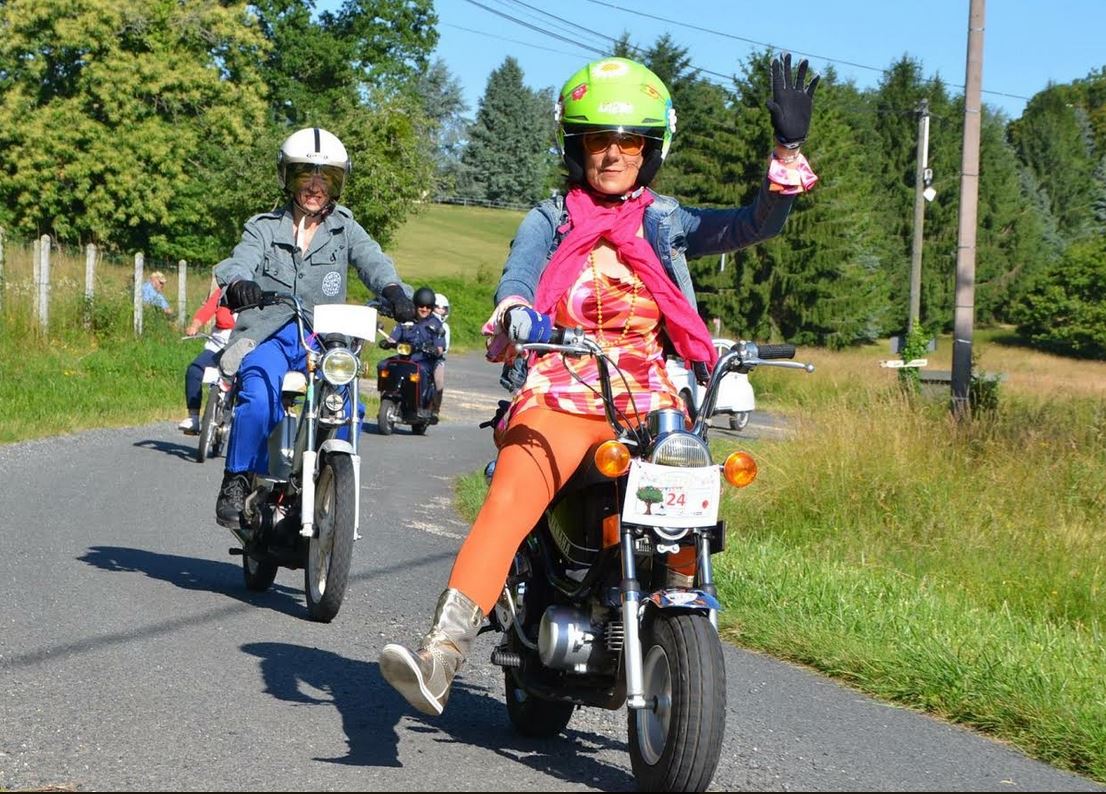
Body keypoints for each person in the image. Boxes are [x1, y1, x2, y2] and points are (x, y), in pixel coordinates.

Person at [379, 54, 820, 716]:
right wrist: (518, 310)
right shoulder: (552, 217)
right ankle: (443, 653)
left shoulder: (665, 220)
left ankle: (676, 619)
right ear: (576, 146)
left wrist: (786, 151)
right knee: (511, 493)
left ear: (651, 149)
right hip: (564, 386)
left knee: (688, 505)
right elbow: (520, 273)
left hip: (652, 403)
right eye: (597, 140)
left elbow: (752, 224)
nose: (613, 154)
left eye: (630, 141)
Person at [211, 126, 417, 528]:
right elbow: (242, 259)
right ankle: (237, 479)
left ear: (338, 184)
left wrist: (394, 291)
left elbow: (373, 260)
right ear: (288, 178)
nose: (315, 187)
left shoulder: (345, 228)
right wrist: (238, 283)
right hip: (269, 333)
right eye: (306, 175)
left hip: (323, 338)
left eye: (326, 178)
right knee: (259, 393)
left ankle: (328, 483)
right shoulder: (263, 227)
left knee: (346, 406)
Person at [378, 286, 446, 420]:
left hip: (425, 359)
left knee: (430, 376)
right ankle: (385, 395)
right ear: (415, 305)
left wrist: (434, 349)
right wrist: (387, 343)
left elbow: (440, 348)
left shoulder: (436, 324)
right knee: (383, 365)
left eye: (428, 307)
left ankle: (428, 408)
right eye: (421, 306)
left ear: (431, 308)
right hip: (404, 358)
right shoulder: (405, 320)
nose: (424, 309)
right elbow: (393, 338)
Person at [177, 283, 237, 435]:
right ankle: (193, 417)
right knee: (194, 370)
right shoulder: (222, 292)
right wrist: (195, 325)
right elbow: (207, 310)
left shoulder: (254, 291)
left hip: (241, 346)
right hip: (217, 344)